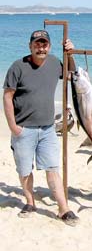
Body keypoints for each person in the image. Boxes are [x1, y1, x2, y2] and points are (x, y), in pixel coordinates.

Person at [3, 29, 79, 226]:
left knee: (52, 168)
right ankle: (30, 203)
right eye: (37, 43)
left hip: (47, 129)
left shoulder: (54, 63)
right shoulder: (17, 67)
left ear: (49, 46)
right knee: (25, 170)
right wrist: (13, 126)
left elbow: (71, 76)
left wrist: (70, 54)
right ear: (30, 46)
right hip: (23, 129)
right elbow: (7, 96)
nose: (41, 47)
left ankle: (64, 209)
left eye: (44, 44)